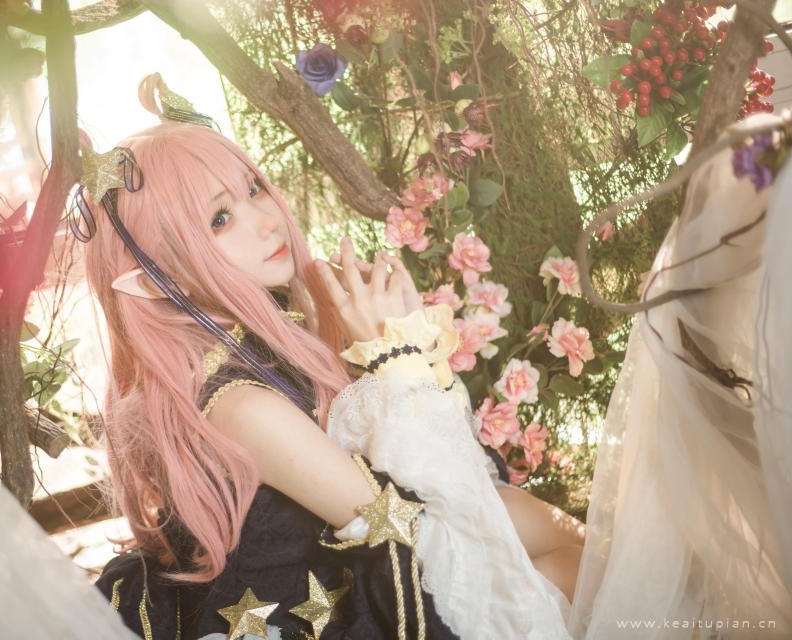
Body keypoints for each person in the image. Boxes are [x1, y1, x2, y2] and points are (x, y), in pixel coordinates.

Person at [80, 73, 578, 639]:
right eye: (220, 219)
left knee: (582, 548)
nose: (266, 220)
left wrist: (373, 355)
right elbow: (412, 530)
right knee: (572, 567)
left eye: (253, 189)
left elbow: (452, 499)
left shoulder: (274, 335)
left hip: (370, 562)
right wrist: (400, 360)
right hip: (333, 605)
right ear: (157, 280)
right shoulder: (238, 405)